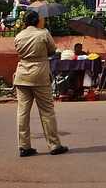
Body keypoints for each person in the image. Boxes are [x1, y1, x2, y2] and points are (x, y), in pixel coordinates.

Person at [13, 9, 68, 157]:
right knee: (46, 111)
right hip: (39, 74)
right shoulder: (43, 33)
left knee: (22, 112)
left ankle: (24, 146)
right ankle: (54, 144)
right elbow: (52, 50)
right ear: (37, 21)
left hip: (22, 73)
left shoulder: (19, 36)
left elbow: (18, 51)